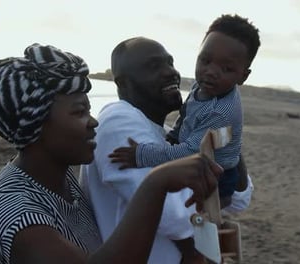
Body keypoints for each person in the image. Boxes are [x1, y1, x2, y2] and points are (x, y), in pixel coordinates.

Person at [0, 43, 222, 264]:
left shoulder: (59, 183)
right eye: (78, 112)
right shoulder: (20, 219)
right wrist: (156, 183)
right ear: (35, 126)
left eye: (89, 110)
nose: (93, 122)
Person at [79, 36, 254, 263]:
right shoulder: (118, 119)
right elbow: (176, 217)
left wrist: (228, 131)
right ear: (123, 83)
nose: (170, 72)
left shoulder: (166, 133)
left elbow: (241, 198)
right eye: (154, 66)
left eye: (170, 63)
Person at [109, 14, 260, 208]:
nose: (211, 71)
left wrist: (141, 155)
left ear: (243, 76)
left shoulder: (220, 112)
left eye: (226, 68)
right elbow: (187, 114)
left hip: (218, 168)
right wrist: (172, 137)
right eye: (205, 60)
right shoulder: (205, 85)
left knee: (206, 206)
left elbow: (190, 152)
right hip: (203, 149)